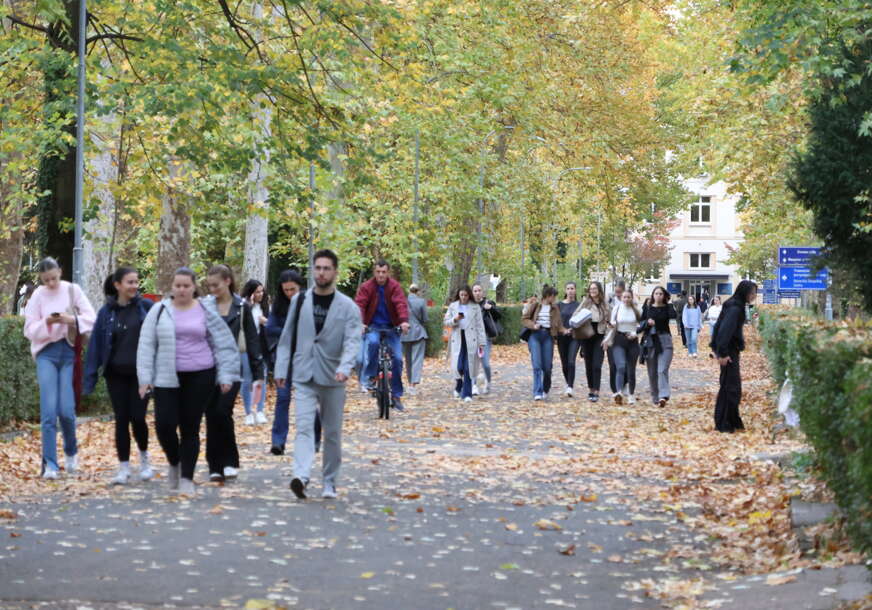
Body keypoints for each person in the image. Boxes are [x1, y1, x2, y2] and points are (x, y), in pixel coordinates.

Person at [137, 267, 239, 495]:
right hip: (166, 376)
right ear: (172, 287)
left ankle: (186, 478)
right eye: (178, 286)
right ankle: (175, 462)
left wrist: (225, 375)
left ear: (194, 287)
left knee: (190, 427)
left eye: (186, 286)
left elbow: (223, 344)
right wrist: (145, 379)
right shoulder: (159, 310)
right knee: (164, 425)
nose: (181, 290)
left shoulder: (205, 309)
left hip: (200, 375)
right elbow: (146, 345)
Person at [275, 249, 363, 500]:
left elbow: (352, 341)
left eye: (326, 268)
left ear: (335, 272)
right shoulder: (299, 300)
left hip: (333, 376)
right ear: (312, 270)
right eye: (318, 268)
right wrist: (281, 368)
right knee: (303, 427)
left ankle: (329, 481)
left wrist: (345, 367)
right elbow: (286, 338)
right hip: (304, 373)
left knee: (332, 433)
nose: (321, 273)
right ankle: (301, 476)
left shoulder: (348, 307)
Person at [23, 257, 96, 479]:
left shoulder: (72, 290)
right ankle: (50, 465)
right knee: (48, 412)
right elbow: (29, 329)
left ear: (60, 272)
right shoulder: (38, 295)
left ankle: (71, 452)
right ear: (41, 279)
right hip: (46, 353)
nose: (51, 283)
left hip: (68, 351)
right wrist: (47, 322)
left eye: (54, 278)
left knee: (66, 410)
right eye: (46, 280)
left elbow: (91, 318)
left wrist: (70, 319)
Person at [84, 267, 154, 485]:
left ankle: (145, 460)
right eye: (129, 282)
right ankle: (124, 467)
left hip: (141, 375)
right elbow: (95, 346)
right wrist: (89, 378)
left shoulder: (146, 308)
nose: (134, 286)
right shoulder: (106, 313)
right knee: (121, 419)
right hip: (116, 375)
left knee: (138, 417)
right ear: (117, 285)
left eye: (136, 282)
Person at [203, 265, 264, 482]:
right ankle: (215, 465)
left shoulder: (241, 307)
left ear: (227, 281)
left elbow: (252, 339)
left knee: (222, 411)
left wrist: (257, 372)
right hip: (208, 367)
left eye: (216, 285)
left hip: (233, 368)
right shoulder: (204, 306)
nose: (213, 289)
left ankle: (229, 460)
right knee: (211, 414)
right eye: (210, 286)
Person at [266, 270, 321, 456]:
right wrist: (289, 332)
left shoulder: (311, 302)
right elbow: (270, 328)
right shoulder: (279, 306)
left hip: (307, 357)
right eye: (286, 290)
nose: (289, 293)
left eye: (293, 289)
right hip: (285, 357)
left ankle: (314, 438)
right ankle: (278, 441)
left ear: (300, 287)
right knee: (282, 397)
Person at [354, 260, 410, 411]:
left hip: (392, 327)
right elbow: (360, 305)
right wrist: (360, 323)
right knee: (373, 343)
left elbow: (400, 304)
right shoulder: (366, 287)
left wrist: (404, 321)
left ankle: (396, 396)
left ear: (388, 273)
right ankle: (372, 376)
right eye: (378, 272)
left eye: (383, 272)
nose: (380, 275)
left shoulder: (394, 286)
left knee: (397, 359)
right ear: (374, 272)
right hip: (373, 327)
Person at [712, 281, 757, 433]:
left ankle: (731, 420)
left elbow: (720, 328)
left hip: (729, 349)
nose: (754, 296)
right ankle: (724, 423)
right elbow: (724, 330)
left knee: (730, 386)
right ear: (745, 292)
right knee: (731, 387)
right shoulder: (735, 308)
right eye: (752, 293)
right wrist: (723, 353)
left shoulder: (735, 305)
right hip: (729, 351)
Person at [521, 285, 569, 401]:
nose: (555, 299)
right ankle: (537, 391)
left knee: (547, 367)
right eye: (554, 296)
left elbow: (559, 325)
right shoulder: (536, 305)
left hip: (548, 337)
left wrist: (565, 331)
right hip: (535, 336)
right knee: (537, 364)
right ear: (548, 296)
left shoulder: (555, 308)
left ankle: (545, 388)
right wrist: (533, 325)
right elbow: (525, 319)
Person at [443, 285, 487, 402]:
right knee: (458, 367)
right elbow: (446, 321)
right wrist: (455, 319)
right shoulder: (453, 306)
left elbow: (480, 326)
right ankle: (459, 384)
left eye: (466, 295)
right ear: (458, 295)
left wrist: (481, 342)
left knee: (468, 367)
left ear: (469, 295)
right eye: (461, 295)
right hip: (458, 338)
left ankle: (467, 394)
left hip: (471, 339)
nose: (463, 297)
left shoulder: (475, 307)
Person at [642, 286, 677, 408]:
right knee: (652, 372)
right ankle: (655, 397)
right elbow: (641, 323)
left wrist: (670, 303)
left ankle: (664, 396)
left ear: (664, 295)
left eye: (661, 294)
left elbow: (673, 315)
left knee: (662, 369)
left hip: (665, 340)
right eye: (656, 293)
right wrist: (647, 323)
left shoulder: (667, 307)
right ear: (653, 295)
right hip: (651, 340)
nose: (658, 296)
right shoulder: (648, 308)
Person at [241, 279, 269, 424]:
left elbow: (272, 327)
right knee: (246, 379)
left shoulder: (264, 307)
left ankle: (259, 410)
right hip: (246, 347)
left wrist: (266, 322)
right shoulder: (243, 307)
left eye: (261, 291)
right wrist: (249, 305)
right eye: (257, 292)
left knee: (261, 379)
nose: (260, 294)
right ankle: (248, 412)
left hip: (261, 347)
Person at [578, 281, 611, 403]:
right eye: (591, 288)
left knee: (597, 365)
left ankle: (596, 390)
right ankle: (591, 389)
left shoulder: (605, 304)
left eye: (595, 288)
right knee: (588, 364)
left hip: (599, 336)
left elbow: (610, 323)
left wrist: (607, 339)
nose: (592, 291)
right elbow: (576, 315)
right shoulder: (585, 302)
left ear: (599, 290)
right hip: (587, 336)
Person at [609, 289, 642, 405]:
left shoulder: (636, 310)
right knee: (621, 366)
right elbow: (612, 322)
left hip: (632, 341)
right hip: (619, 339)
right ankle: (618, 392)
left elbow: (641, 325)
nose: (626, 299)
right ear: (621, 298)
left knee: (631, 370)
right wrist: (611, 325)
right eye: (624, 297)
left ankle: (631, 395)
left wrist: (635, 333)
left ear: (632, 298)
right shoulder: (617, 308)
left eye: (628, 297)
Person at [472, 282, 501, 395]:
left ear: (482, 292)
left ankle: (488, 382)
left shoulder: (488, 303)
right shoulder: (469, 305)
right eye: (475, 291)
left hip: (485, 337)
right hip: (472, 338)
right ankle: (474, 386)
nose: (477, 293)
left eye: (479, 290)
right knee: (473, 364)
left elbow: (499, 315)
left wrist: (491, 308)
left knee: (486, 364)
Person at [401, 284, 428, 394]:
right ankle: (412, 385)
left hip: (405, 333)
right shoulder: (421, 302)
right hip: (418, 333)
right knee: (417, 359)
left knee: (408, 360)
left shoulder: (403, 301)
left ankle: (409, 382)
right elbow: (425, 319)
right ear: (418, 291)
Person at [556, 282, 581, 397]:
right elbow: (555, 321)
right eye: (568, 288)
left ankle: (570, 386)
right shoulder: (559, 305)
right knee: (564, 363)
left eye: (572, 288)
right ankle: (567, 382)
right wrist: (563, 330)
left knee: (571, 361)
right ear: (565, 291)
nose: (570, 291)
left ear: (575, 290)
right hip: (562, 337)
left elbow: (582, 320)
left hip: (574, 337)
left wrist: (573, 329)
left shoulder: (579, 305)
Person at [607, 280, 626, 399]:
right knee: (612, 364)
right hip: (611, 336)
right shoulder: (610, 301)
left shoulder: (629, 301)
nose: (618, 294)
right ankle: (615, 389)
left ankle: (623, 384)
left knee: (624, 364)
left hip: (624, 336)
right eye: (616, 292)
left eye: (620, 292)